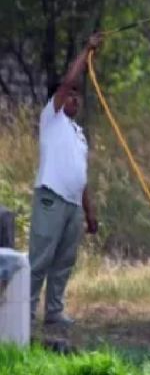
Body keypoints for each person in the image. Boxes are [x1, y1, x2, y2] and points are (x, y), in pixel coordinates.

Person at [30, 32, 102, 327]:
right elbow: (69, 80)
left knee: (63, 262)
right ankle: (24, 310)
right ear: (59, 98)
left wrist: (89, 212)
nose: (74, 98)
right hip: (52, 197)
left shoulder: (78, 134)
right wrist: (87, 50)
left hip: (72, 204)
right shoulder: (52, 118)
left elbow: (80, 176)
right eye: (70, 94)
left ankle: (54, 311)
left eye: (78, 96)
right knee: (41, 258)